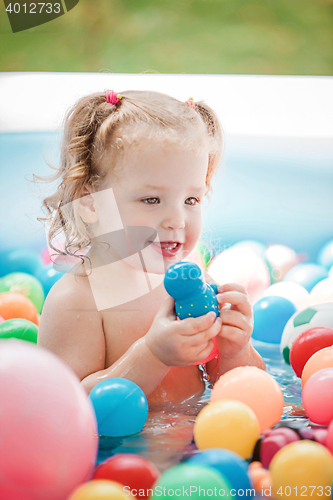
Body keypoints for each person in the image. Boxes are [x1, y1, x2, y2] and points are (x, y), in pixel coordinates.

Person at [37, 90, 265, 405]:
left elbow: (247, 389)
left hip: (198, 438)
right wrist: (152, 355)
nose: (177, 220)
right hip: (120, 451)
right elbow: (65, 404)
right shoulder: (77, 301)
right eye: (151, 200)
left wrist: (235, 351)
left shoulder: (194, 284)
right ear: (92, 204)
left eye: (191, 200)